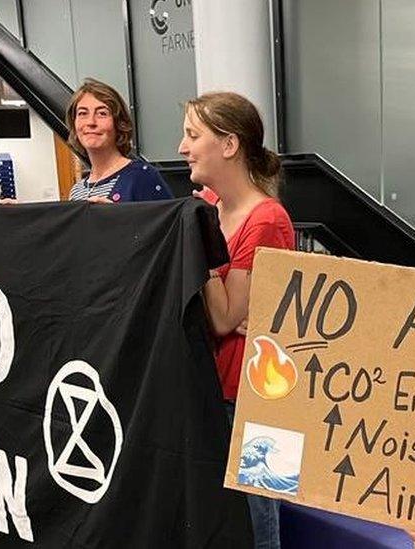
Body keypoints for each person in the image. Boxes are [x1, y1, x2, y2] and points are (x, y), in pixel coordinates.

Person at [178, 91, 294, 549]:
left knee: (259, 521)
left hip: (259, 400)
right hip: (219, 389)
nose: (183, 147)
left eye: (192, 135)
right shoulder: (210, 205)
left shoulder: (267, 219)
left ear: (229, 145)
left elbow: (225, 317)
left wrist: (197, 242)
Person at [66, 78, 172, 203]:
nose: (91, 122)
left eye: (102, 113)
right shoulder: (76, 192)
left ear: (119, 123)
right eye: (83, 113)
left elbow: (168, 221)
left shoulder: (142, 176)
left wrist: (117, 217)